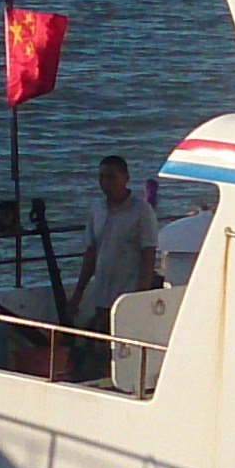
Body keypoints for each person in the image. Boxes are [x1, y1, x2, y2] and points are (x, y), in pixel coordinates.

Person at [69, 154, 163, 375]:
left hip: (128, 293)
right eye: (102, 177)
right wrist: (78, 293)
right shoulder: (97, 210)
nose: (105, 183)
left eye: (111, 177)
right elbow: (90, 253)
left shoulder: (141, 211)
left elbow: (149, 253)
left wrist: (142, 294)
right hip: (102, 290)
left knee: (127, 344)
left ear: (125, 178)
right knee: (101, 343)